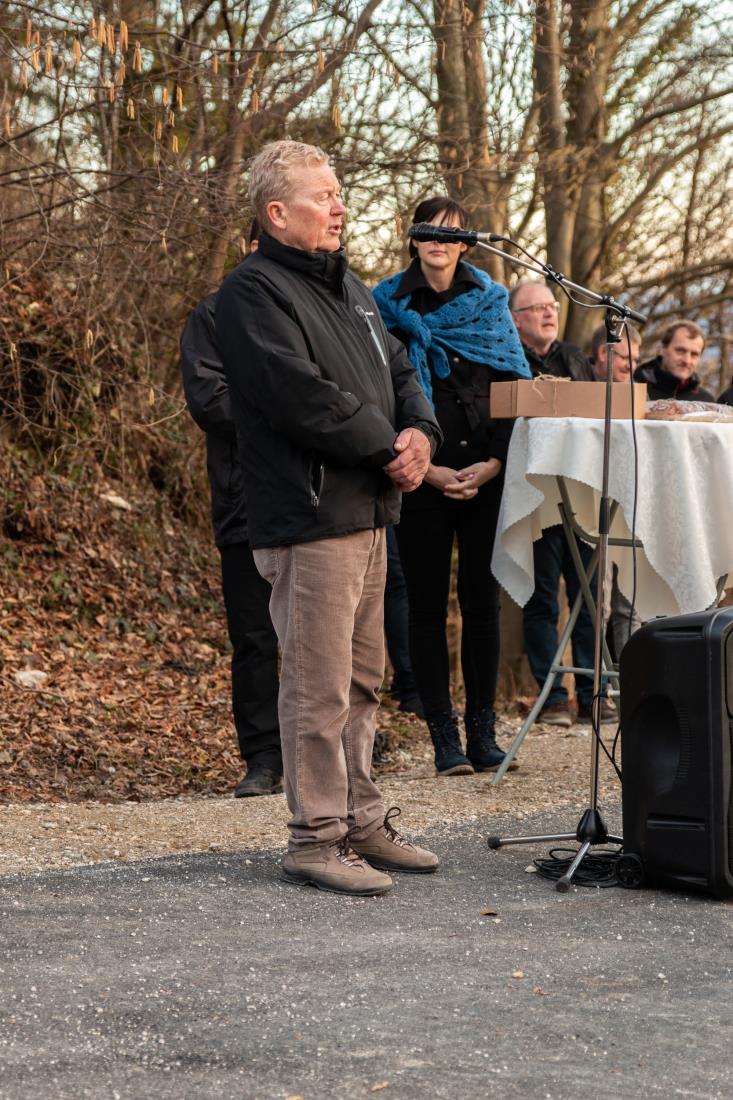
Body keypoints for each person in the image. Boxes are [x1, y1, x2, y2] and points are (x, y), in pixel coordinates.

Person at [215, 140, 443, 896]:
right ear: (278, 213)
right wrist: (387, 447)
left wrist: (421, 433)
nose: (340, 206)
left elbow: (400, 371)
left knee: (363, 682)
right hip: (309, 517)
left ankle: (361, 820)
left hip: (369, 512)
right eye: (324, 196)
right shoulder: (252, 292)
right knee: (317, 688)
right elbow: (298, 394)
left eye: (339, 192)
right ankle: (315, 836)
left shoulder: (349, 286)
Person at [373, 197, 529, 776]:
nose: (439, 242)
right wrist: (426, 469)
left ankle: (483, 733)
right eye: (429, 231)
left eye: (452, 234)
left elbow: (514, 389)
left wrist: (495, 462)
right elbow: (379, 396)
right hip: (421, 476)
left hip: (485, 475)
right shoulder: (385, 305)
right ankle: (443, 737)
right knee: (426, 606)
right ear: (414, 239)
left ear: (466, 243)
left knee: (482, 603)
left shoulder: (490, 302)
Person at [180, 221, 283, 798]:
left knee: (326, 638)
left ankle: (331, 751)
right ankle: (264, 757)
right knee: (254, 635)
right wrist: (290, 419)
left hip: (318, 499)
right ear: (251, 248)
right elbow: (209, 399)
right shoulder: (213, 315)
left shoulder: (312, 309)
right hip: (245, 499)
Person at [509, 280, 613, 727]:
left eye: (552, 305)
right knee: (541, 600)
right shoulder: (507, 358)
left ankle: (593, 695)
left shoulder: (574, 358)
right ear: (515, 319)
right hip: (535, 493)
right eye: (537, 308)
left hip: (579, 489)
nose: (550, 312)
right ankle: (552, 698)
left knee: (589, 598)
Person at [590, 322, 643, 659]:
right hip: (591, 506)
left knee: (630, 606)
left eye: (634, 359)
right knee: (599, 603)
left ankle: (630, 683)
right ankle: (597, 682)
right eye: (624, 357)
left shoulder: (639, 397)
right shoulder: (583, 388)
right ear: (603, 353)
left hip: (630, 507)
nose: (630, 366)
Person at [634, 320, 714, 401]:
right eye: (680, 351)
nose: (687, 361)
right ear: (662, 349)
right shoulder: (633, 390)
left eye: (694, 354)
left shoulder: (706, 401)